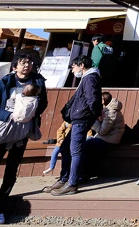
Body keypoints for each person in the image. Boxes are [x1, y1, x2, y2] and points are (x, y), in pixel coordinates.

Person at [0, 54, 48, 225]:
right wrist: (10, 116)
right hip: (2, 131)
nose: (27, 65)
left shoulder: (39, 81)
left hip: (22, 133)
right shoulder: (5, 82)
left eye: (29, 62)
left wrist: (29, 114)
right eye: (23, 62)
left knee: (11, 174)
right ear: (14, 67)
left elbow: (43, 104)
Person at [43, 56, 102, 196]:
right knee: (65, 147)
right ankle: (64, 179)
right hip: (79, 117)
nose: (72, 70)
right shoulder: (88, 77)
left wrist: (94, 115)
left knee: (75, 151)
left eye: (74, 66)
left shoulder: (89, 78)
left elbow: (92, 99)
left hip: (82, 118)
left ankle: (72, 182)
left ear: (81, 65)